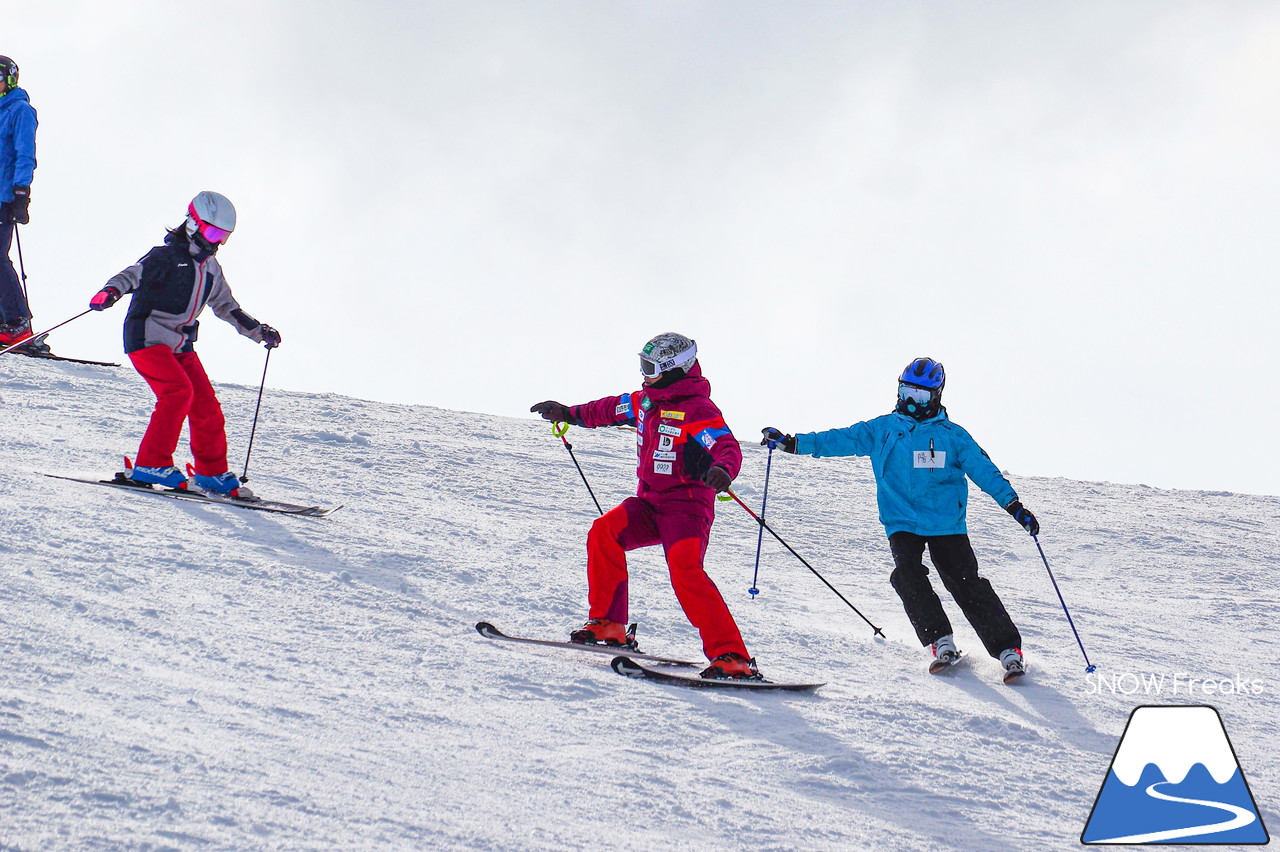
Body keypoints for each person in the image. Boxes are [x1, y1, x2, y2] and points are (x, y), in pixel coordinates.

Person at [762, 357, 1039, 682]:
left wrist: (1013, 505)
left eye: (920, 396)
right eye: (907, 392)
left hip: (945, 523)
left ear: (936, 396)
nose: (911, 401)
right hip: (902, 522)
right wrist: (794, 443)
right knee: (907, 575)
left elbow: (984, 471)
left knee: (965, 584)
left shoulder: (952, 436)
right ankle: (940, 642)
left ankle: (1008, 651)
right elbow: (839, 439)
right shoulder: (883, 430)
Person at [530, 332, 762, 680]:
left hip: (686, 509)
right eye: (643, 364)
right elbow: (608, 409)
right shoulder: (645, 402)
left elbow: (726, 446)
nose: (644, 372)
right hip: (649, 503)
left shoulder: (697, 410)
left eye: (651, 366)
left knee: (686, 572)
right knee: (604, 531)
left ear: (674, 370)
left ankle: (733, 657)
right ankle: (608, 625)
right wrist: (569, 413)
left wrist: (721, 469)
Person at [87, 191, 280, 497]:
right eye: (213, 232)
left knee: (206, 405)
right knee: (178, 392)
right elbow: (131, 275)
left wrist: (259, 331)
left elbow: (228, 307)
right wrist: (109, 292)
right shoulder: (165, 257)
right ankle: (150, 464)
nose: (216, 241)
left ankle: (211, 473)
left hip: (180, 344)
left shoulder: (211, 269)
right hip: (147, 337)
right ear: (193, 222)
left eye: (223, 236)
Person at [0, 55, 43, 353]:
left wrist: (20, 193)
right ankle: (6, 321)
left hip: (4, 198)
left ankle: (18, 323)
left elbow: (24, 153)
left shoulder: (20, 111)